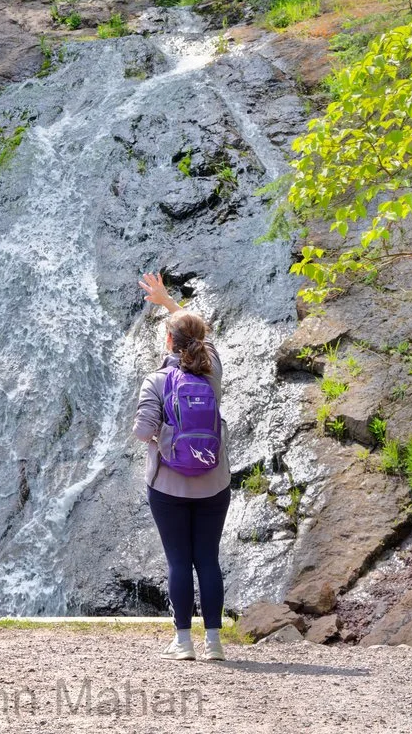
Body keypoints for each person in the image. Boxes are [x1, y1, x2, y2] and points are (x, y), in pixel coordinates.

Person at [133, 272, 231, 662]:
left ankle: (183, 643)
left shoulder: (156, 380)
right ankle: (215, 644)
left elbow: (143, 432)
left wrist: (162, 441)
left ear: (168, 341)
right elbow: (200, 334)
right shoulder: (213, 373)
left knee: (178, 561)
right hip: (214, 481)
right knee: (207, 558)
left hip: (168, 485)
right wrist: (171, 303)